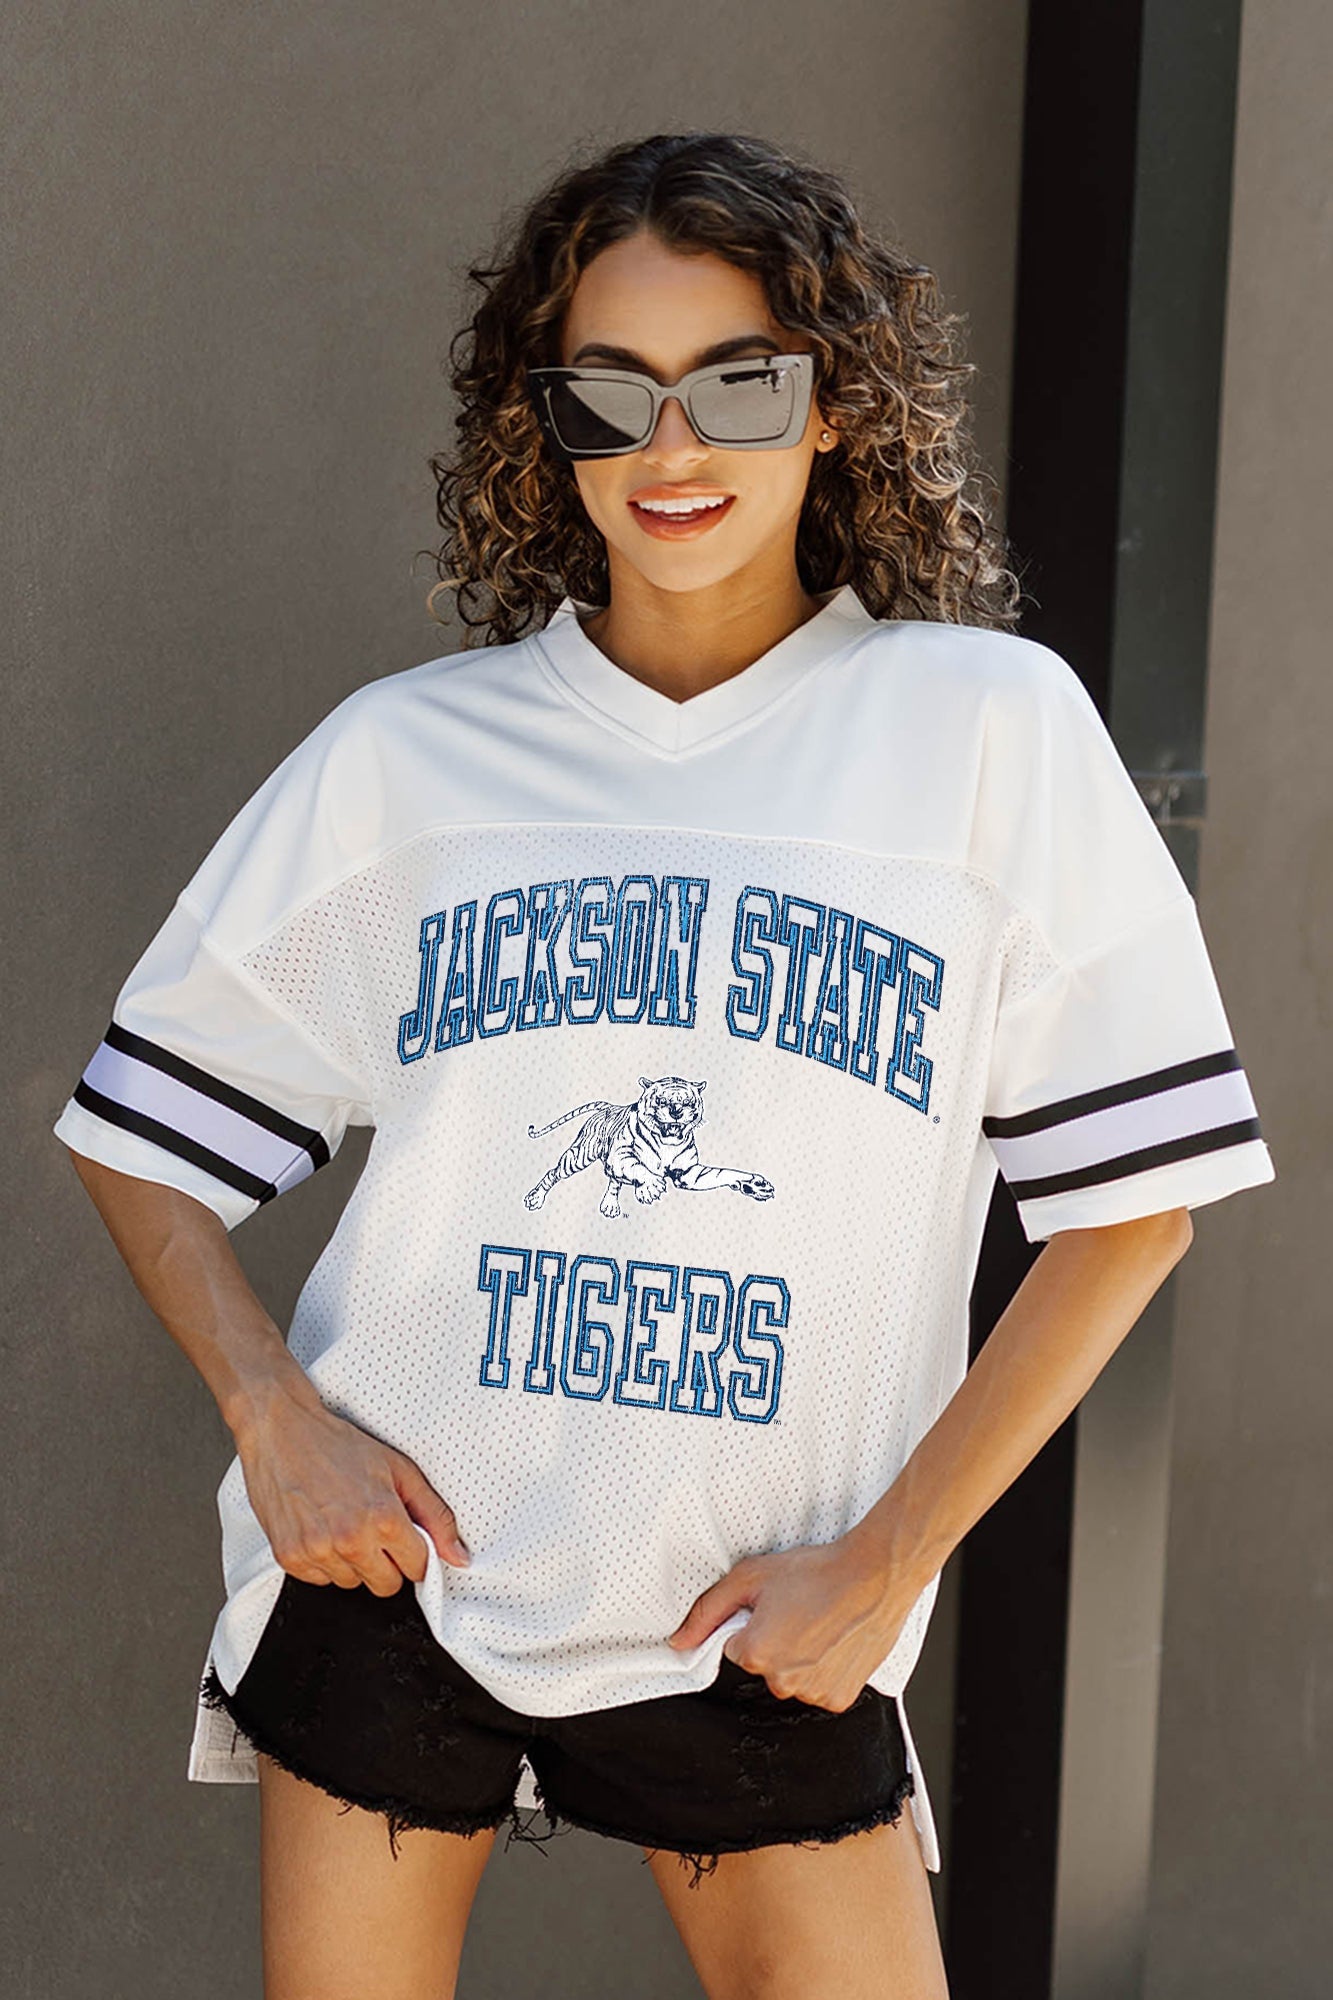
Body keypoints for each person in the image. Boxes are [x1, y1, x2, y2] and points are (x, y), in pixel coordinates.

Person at [54, 130, 1275, 2000]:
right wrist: (274, 1419)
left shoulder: (983, 733)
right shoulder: (412, 760)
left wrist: (889, 1561)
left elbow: (1135, 1214)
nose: (672, 446)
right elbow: (138, 1135)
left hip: (764, 1618)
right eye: (608, 393)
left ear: (837, 406)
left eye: (740, 383)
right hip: (403, 1592)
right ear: (547, 426)